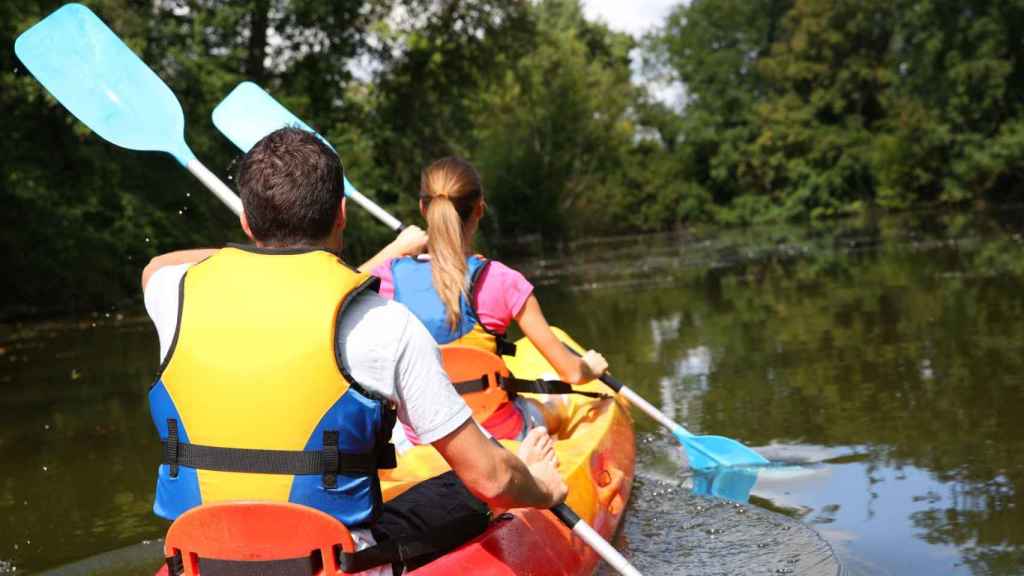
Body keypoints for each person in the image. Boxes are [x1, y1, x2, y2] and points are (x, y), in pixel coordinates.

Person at [141, 128, 566, 576]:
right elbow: (492, 478)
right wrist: (539, 486)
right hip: (336, 564)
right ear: (341, 214)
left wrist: (254, 256)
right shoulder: (384, 322)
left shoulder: (173, 297)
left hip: (201, 561)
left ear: (246, 222)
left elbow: (157, 266)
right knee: (467, 488)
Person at [372, 157, 609, 441]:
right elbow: (571, 374)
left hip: (422, 439)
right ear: (480, 210)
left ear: (424, 208)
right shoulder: (503, 280)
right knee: (555, 406)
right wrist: (590, 368)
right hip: (498, 432)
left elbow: (336, 295)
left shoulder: (387, 278)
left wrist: (394, 248)